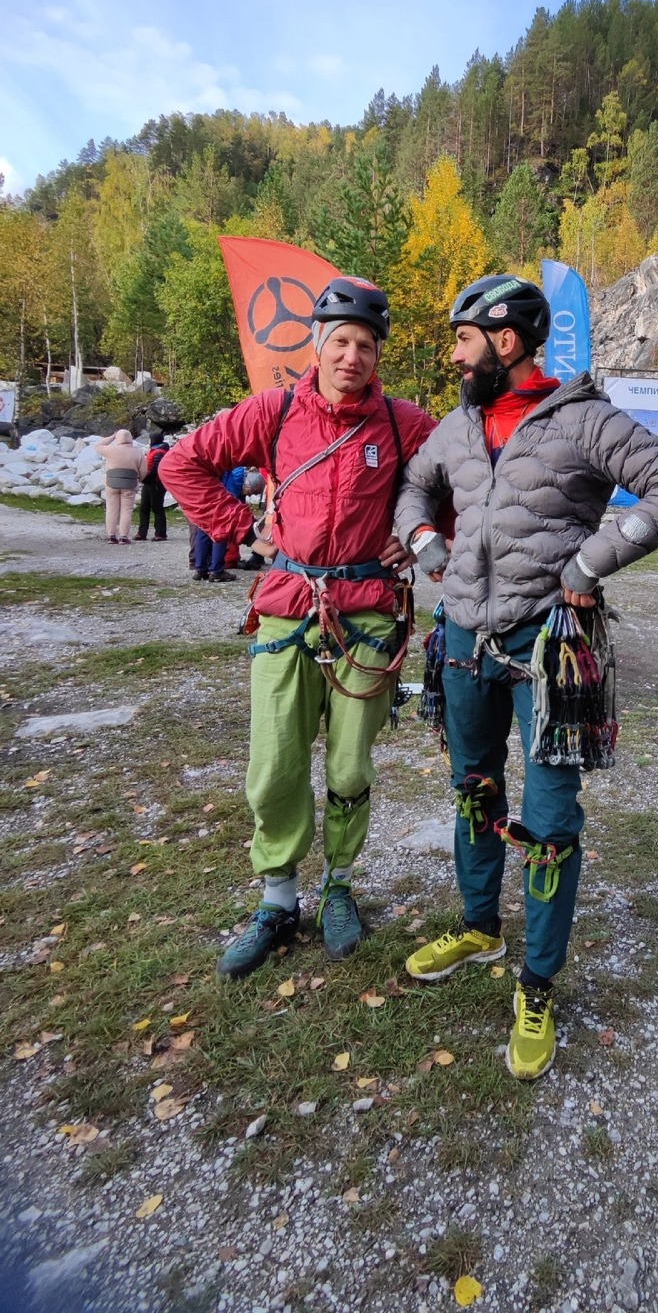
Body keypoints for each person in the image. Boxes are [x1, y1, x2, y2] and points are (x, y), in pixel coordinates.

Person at [395, 275, 658, 1080]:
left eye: (463, 339)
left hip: (550, 646)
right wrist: (423, 541)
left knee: (550, 817)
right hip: (463, 640)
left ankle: (536, 983)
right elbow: (415, 487)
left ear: (506, 341)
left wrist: (592, 561)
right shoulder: (458, 428)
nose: (453, 356)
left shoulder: (585, 419)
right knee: (473, 789)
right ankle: (478, 927)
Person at [160, 277, 441, 978]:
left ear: (379, 355)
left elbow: (460, 486)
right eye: (340, 341)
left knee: (348, 766)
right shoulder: (275, 410)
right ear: (317, 345)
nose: (352, 356)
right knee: (274, 768)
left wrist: (418, 536)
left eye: (365, 345)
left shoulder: (406, 423)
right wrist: (241, 532)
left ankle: (338, 887)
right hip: (287, 608)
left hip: (368, 614)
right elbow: (182, 463)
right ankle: (278, 899)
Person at [192, 466, 246, 582]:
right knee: (220, 532)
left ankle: (200, 569)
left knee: (203, 531)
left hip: (203, 496)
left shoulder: (203, 461)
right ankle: (216, 570)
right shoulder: (227, 462)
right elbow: (236, 479)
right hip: (220, 498)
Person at [96, 429, 146, 545]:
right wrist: (137, 480)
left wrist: (112, 437)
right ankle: (123, 537)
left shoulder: (111, 450)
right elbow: (143, 471)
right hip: (129, 484)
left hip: (112, 483)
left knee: (111, 509)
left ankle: (111, 536)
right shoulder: (138, 452)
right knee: (126, 510)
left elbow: (98, 445)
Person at [133, 428, 170, 542]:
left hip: (156, 483)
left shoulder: (159, 452)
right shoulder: (154, 450)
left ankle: (160, 533)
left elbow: (155, 469)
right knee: (144, 507)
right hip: (149, 482)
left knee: (157, 508)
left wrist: (144, 479)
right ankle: (142, 533)